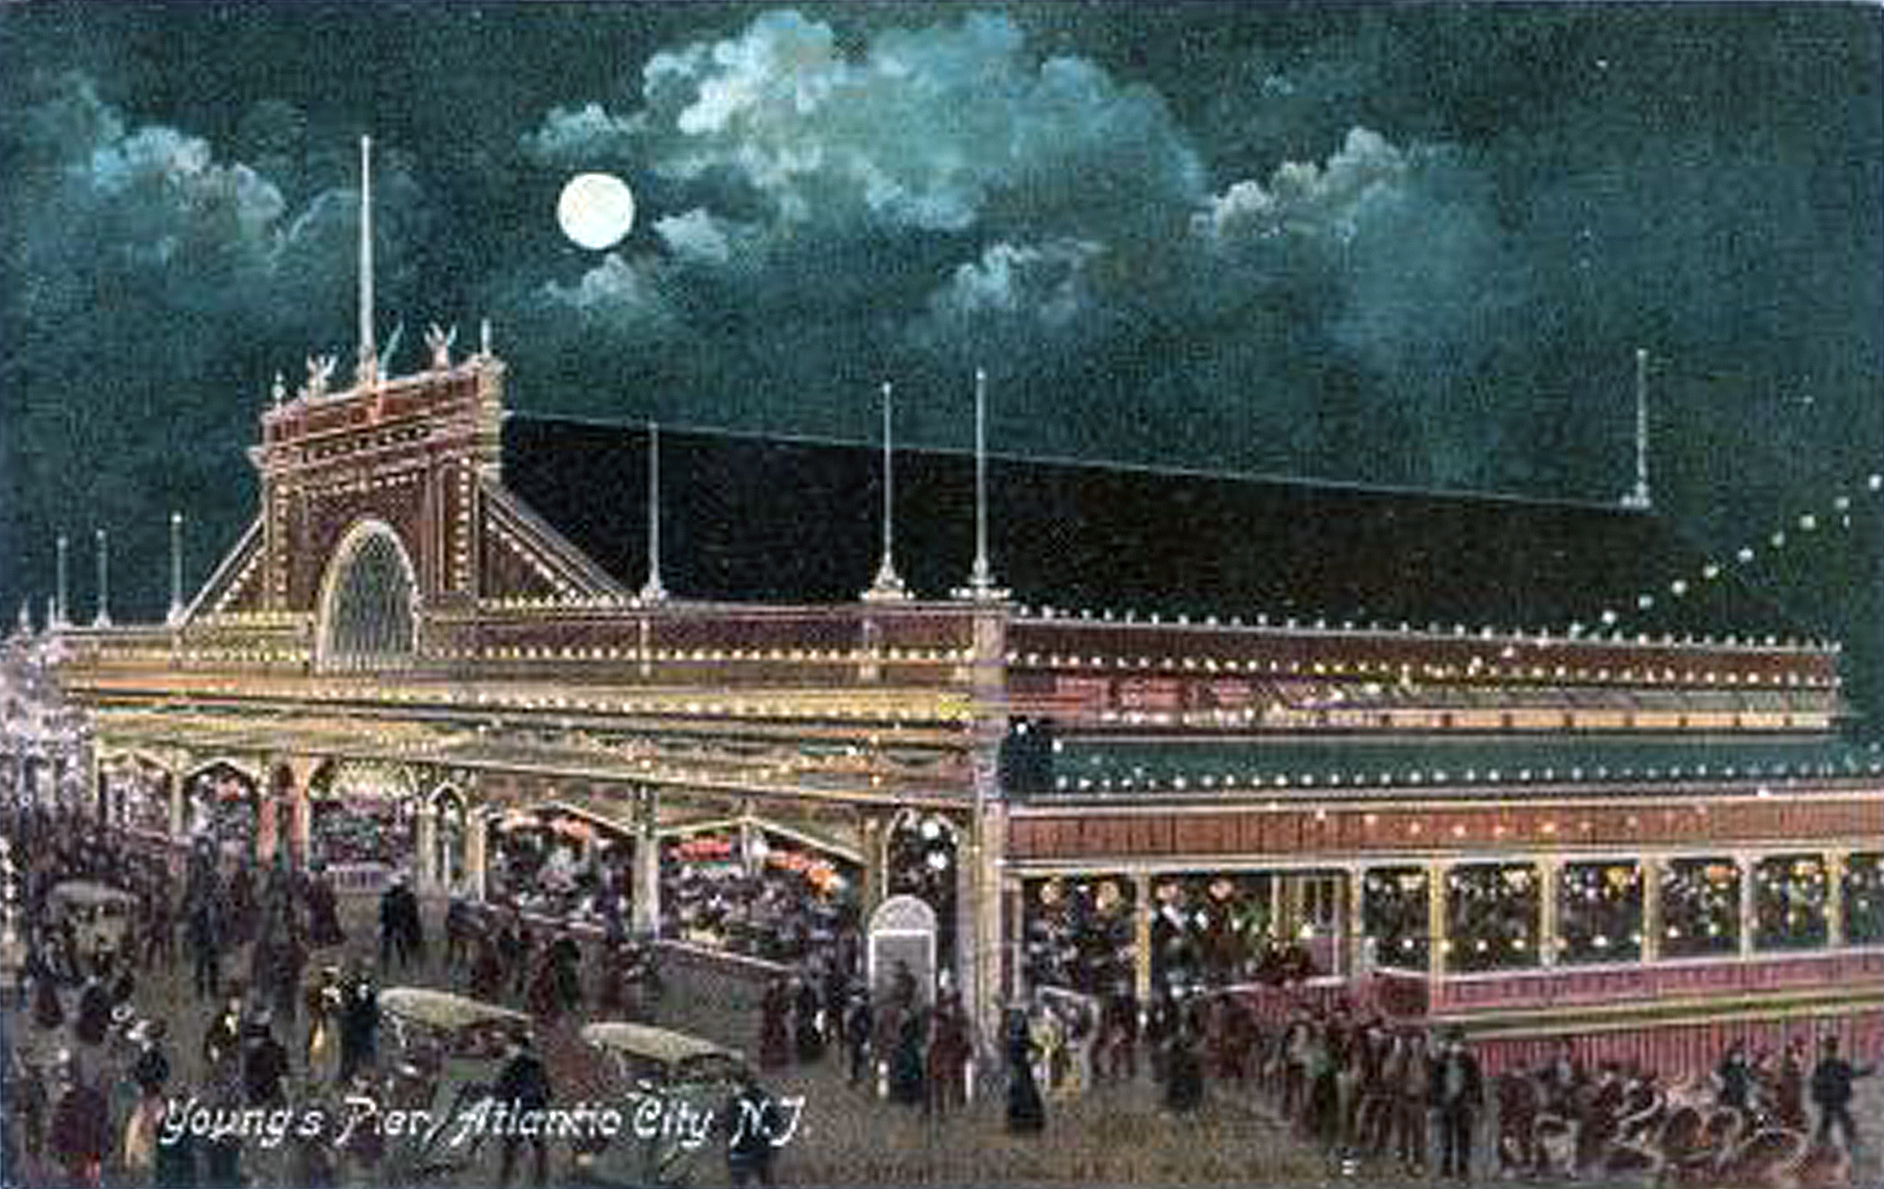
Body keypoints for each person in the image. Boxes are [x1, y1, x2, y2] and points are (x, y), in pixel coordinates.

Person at [494, 1033, 553, 1187]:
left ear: (518, 1047)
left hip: (518, 1111)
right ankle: (540, 1180)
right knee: (537, 1145)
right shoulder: (537, 1064)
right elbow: (548, 1090)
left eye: (510, 1046)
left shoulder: (514, 1066)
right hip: (535, 1110)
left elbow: (505, 1089)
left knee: (511, 1148)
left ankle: (506, 1180)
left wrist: (499, 1095)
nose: (507, 1049)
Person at [1432, 1027, 1484, 1182]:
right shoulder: (1441, 1060)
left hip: (1463, 1104)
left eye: (1459, 1043)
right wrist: (1435, 1103)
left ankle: (1463, 1170)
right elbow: (1434, 1083)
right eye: (1453, 1042)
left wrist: (1477, 1103)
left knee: (1464, 1140)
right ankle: (1446, 1170)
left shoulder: (1469, 1060)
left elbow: (1477, 1082)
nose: (1456, 1046)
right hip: (1446, 1104)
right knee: (1446, 1140)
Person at [1810, 1034, 1874, 1151]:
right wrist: (1868, 1070)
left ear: (1826, 1049)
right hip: (1837, 1098)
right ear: (1836, 1049)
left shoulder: (1822, 1065)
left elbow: (1814, 1082)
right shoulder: (1839, 1064)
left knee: (1829, 1120)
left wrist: (1816, 1096)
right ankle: (1847, 1140)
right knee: (1840, 1119)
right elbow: (1853, 1073)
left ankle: (1820, 1142)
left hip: (1828, 1099)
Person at [724, 1070, 781, 1188]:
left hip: (741, 1152)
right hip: (761, 1150)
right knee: (767, 1181)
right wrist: (767, 1132)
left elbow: (730, 1125)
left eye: (733, 1085)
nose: (732, 1089)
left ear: (740, 1085)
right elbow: (775, 1120)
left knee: (741, 1183)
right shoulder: (764, 1098)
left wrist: (731, 1142)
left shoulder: (736, 1102)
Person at [1004, 1008, 1045, 1134]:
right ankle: (1017, 1126)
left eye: (1020, 1021)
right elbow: (1006, 1054)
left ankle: (1025, 1126)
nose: (1018, 1024)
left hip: (1022, 1069)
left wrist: (1033, 1061)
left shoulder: (1022, 1037)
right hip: (1016, 1069)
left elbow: (1040, 1049)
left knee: (1025, 1096)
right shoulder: (1010, 1036)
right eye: (1016, 1021)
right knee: (1017, 1096)